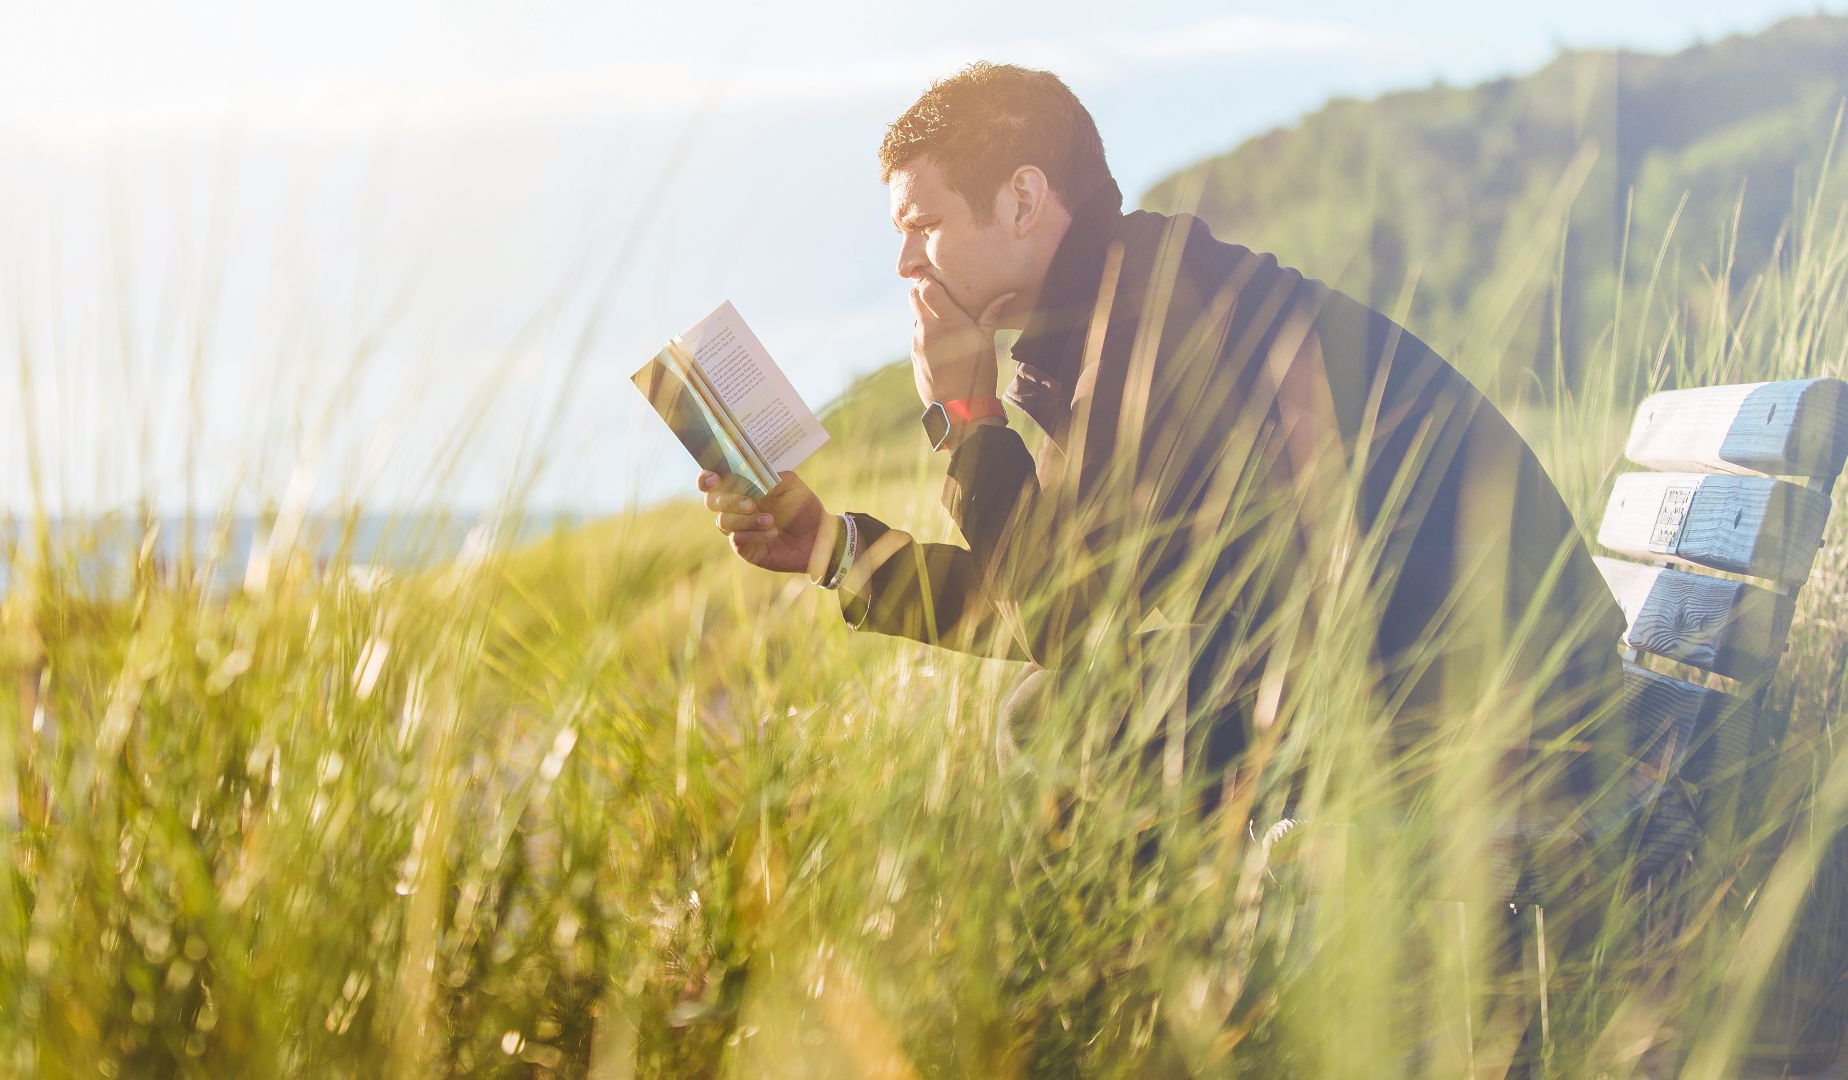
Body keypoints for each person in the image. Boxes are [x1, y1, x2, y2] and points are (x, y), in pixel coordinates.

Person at [693, 62, 1629, 880]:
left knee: (1061, 721)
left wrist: (970, 418)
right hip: (1439, 679)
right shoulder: (1118, 311)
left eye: (923, 223)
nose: (903, 261)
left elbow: (1059, 617)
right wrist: (828, 547)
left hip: (1508, 716)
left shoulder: (1158, 323)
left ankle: (1178, 1029)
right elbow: (1057, 597)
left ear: (1022, 201)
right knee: (1072, 707)